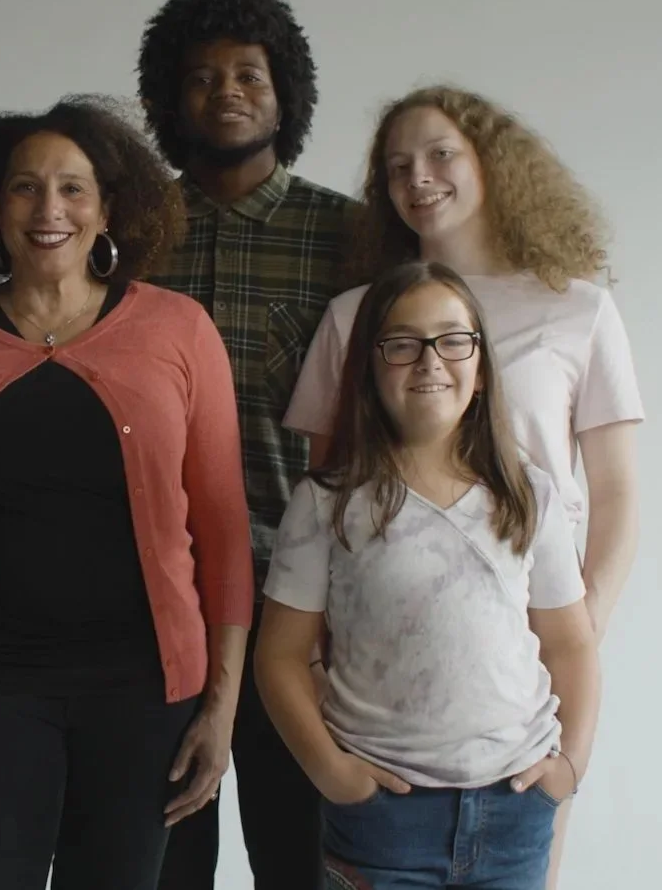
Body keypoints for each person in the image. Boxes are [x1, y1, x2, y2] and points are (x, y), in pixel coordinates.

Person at [0, 97, 255, 890]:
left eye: (73, 189)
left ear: (108, 207)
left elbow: (221, 529)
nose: (49, 210)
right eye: (24, 188)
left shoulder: (179, 332)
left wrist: (220, 706)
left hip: (145, 700)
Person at [283, 86, 643, 888]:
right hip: (389, 693)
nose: (418, 176)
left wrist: (579, 630)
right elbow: (329, 484)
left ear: (491, 162)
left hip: (526, 674)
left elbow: (615, 494)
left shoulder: (576, 308)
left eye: (440, 153)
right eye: (396, 165)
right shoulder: (354, 316)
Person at [258, 261, 602, 890]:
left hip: (514, 809)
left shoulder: (529, 496)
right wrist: (333, 773)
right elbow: (279, 656)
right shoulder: (328, 502)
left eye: (452, 339)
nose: (429, 360)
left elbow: (570, 642)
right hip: (382, 819)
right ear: (368, 365)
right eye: (402, 343)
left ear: (480, 366)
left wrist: (570, 768)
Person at [136, 0, 358, 890]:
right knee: (161, 850)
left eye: (247, 74)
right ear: (167, 99)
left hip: (303, 600)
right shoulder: (131, 233)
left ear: (285, 92)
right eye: (200, 77)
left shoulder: (347, 234)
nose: (224, 92)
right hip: (155, 596)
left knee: (296, 855)